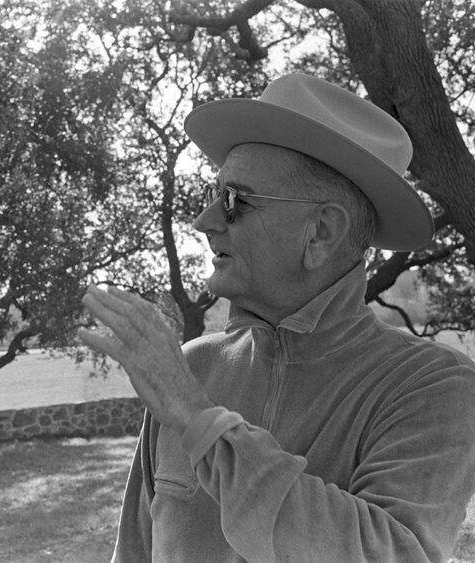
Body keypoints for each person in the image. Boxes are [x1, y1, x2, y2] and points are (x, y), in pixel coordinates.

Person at [80, 73, 475, 562]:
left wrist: (199, 421)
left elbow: (389, 553)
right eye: (212, 192)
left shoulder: (433, 387)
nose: (203, 221)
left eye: (234, 200)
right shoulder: (195, 366)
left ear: (321, 233)